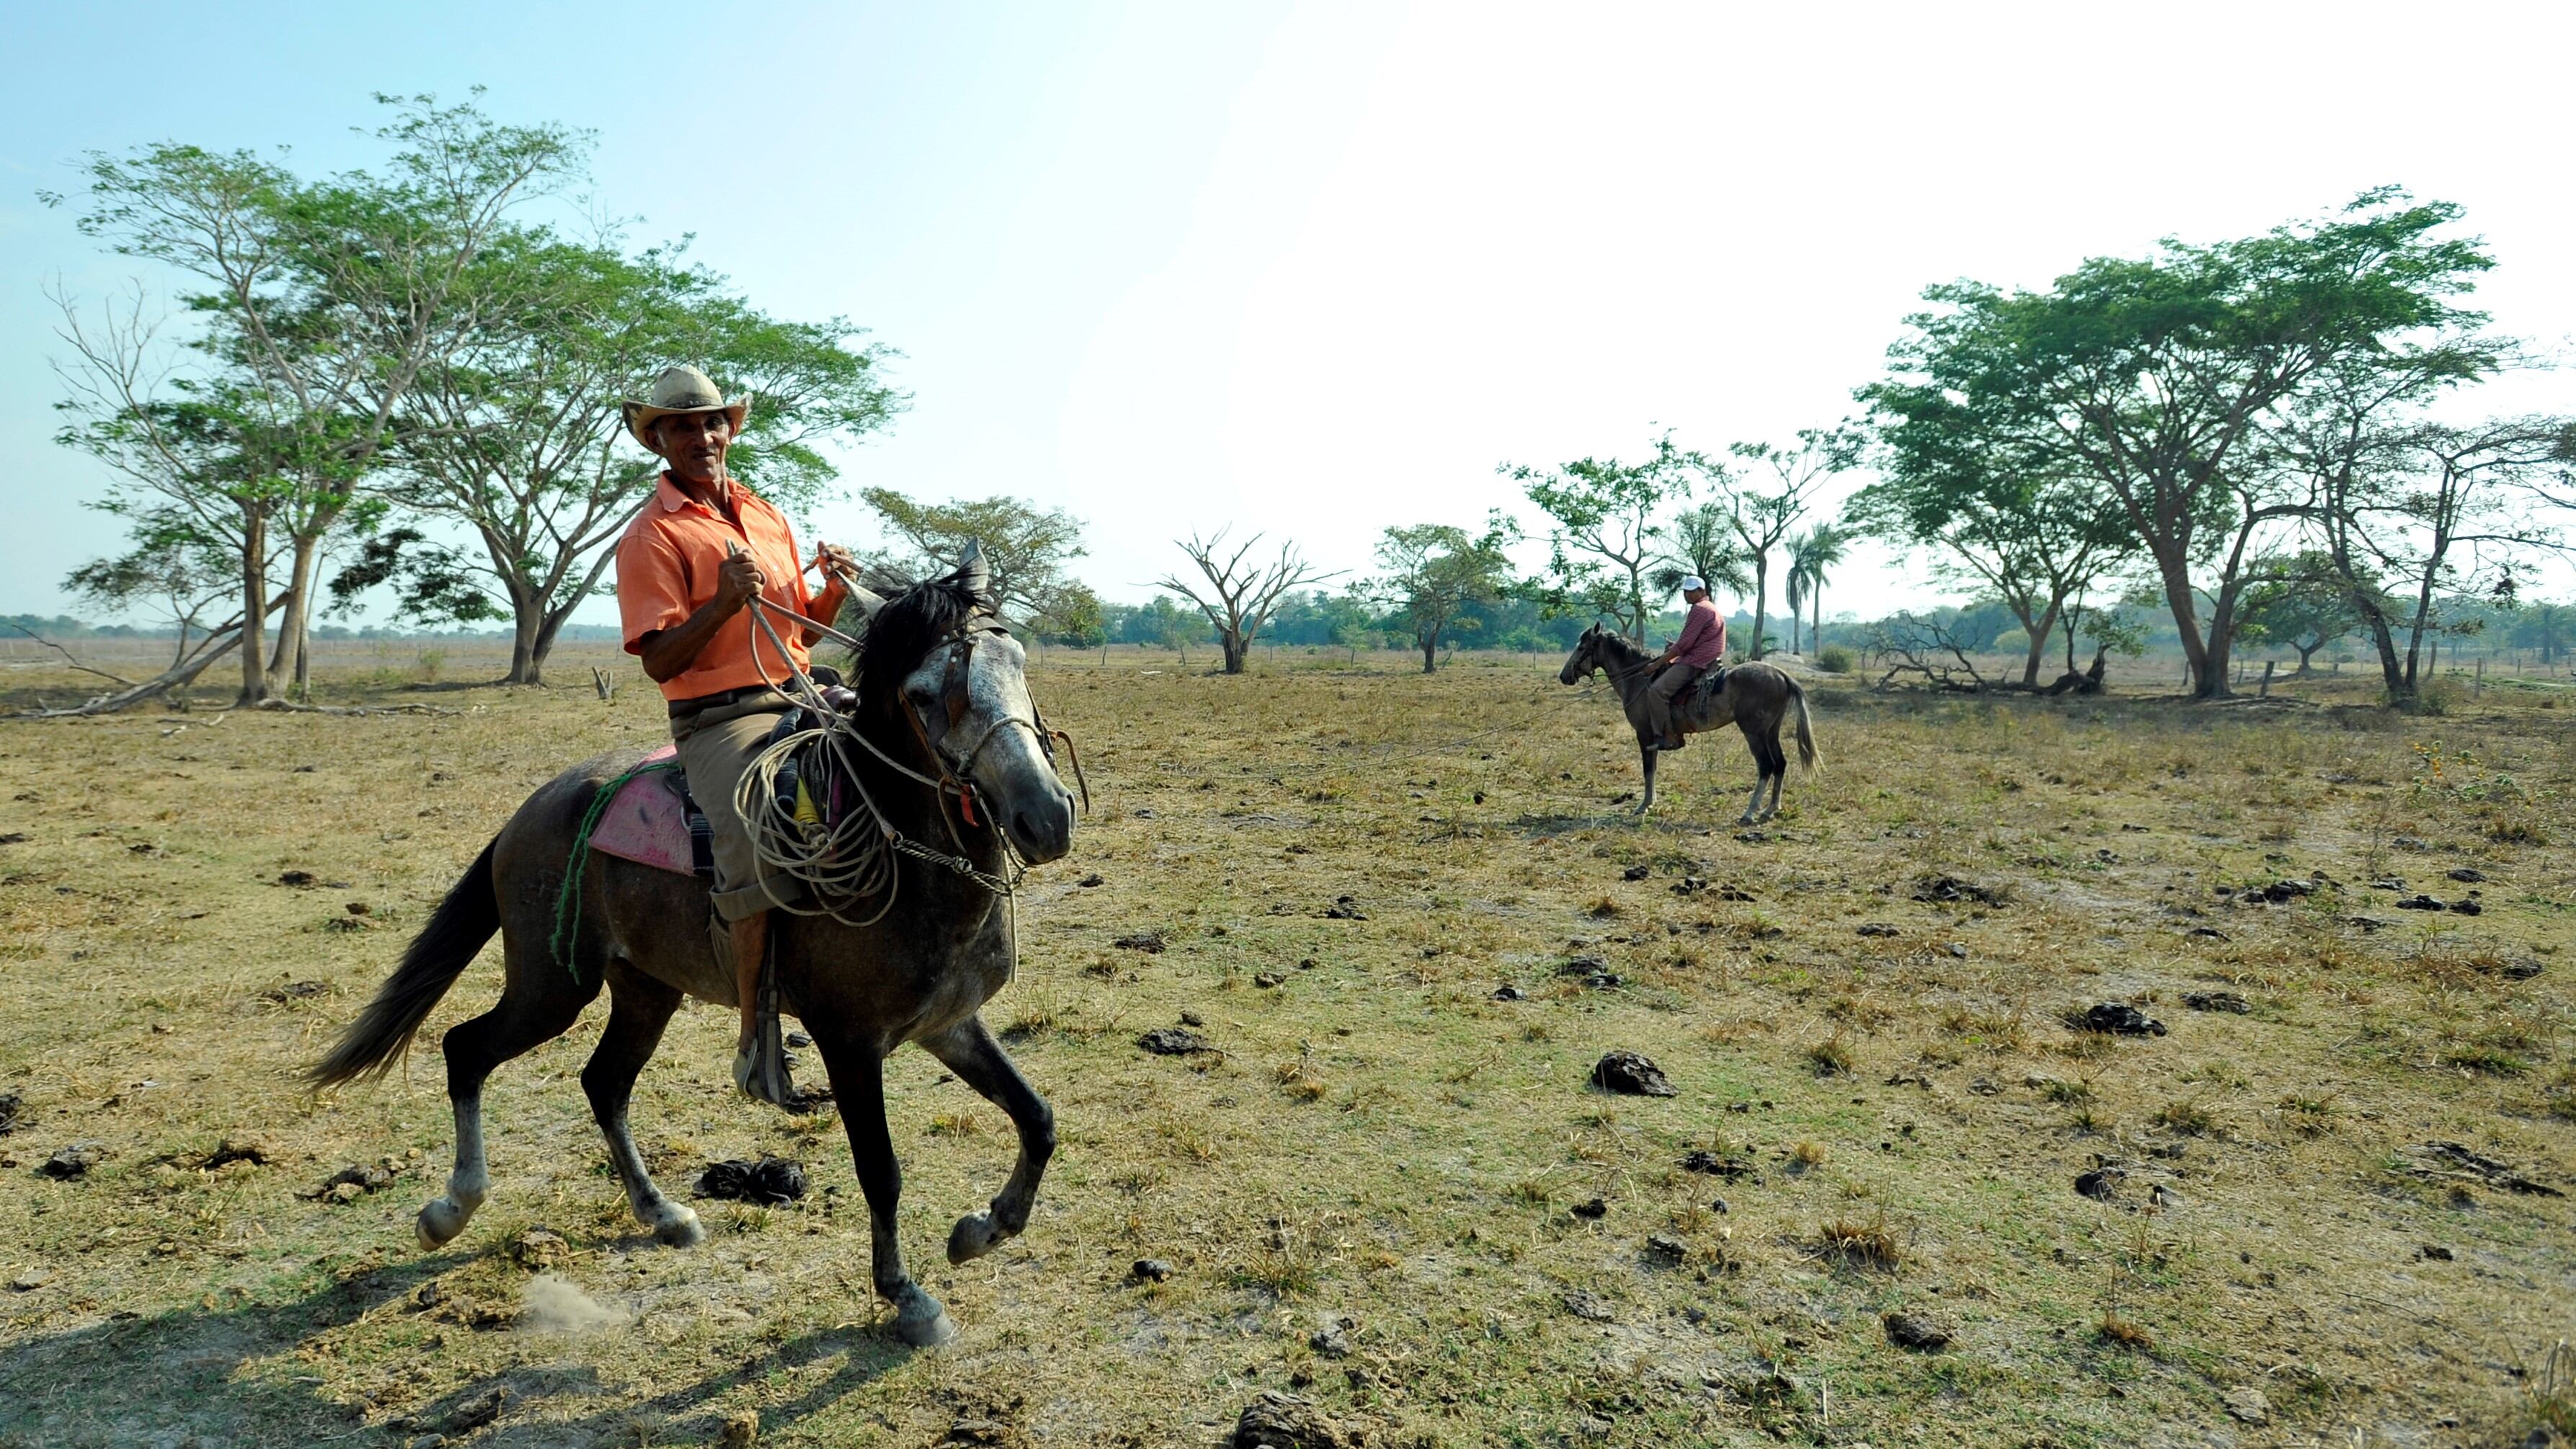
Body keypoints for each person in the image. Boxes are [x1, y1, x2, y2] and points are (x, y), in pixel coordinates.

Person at [613, 365, 856, 1108]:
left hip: (801, 692)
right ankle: (757, 1038)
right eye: (682, 426)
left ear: (729, 430)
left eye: (711, 422)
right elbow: (659, 660)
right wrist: (718, 605)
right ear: (657, 438)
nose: (701, 436)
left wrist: (833, 591)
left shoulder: (766, 514)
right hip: (720, 718)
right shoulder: (651, 536)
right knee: (758, 825)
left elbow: (797, 626)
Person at [1644, 576, 1726, 751]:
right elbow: (1692, 641)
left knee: (1656, 691)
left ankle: (1667, 737)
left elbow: (1684, 646)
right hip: (1706, 657)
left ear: (1702, 591)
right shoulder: (1711, 608)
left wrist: (1656, 665)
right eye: (1685, 591)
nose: (1688, 594)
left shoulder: (1699, 609)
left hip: (1695, 661)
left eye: (1692, 591)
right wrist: (1675, 648)